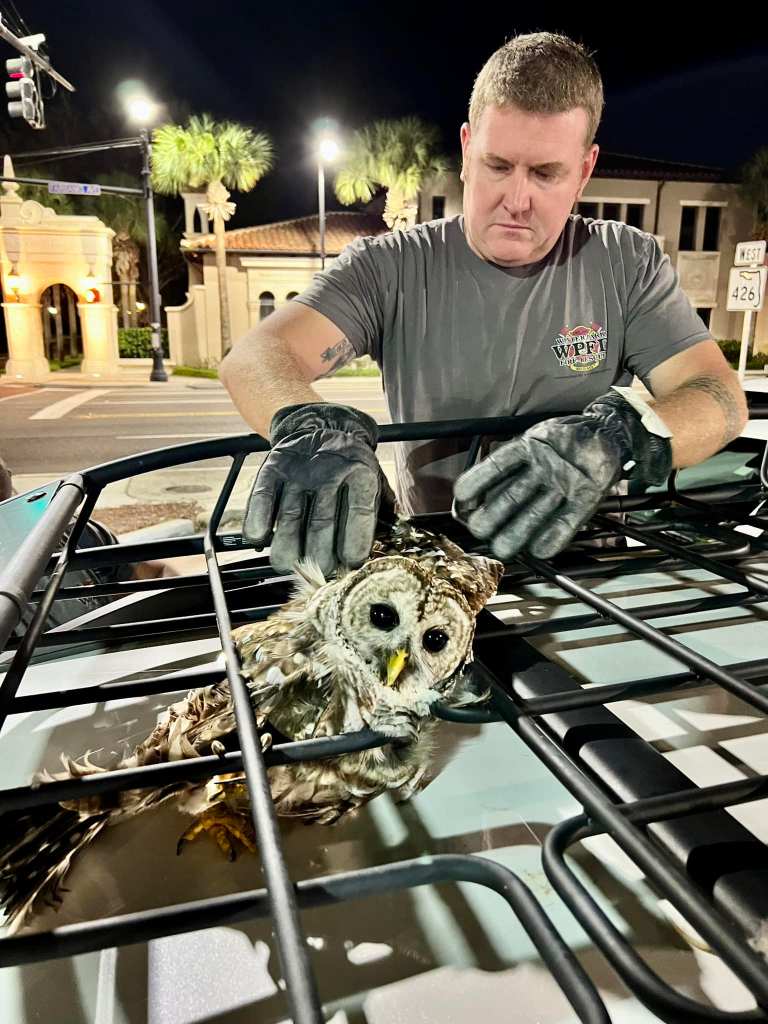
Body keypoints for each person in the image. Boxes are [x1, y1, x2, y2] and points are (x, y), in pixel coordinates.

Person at [219, 31, 747, 578]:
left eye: (546, 174)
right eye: (498, 165)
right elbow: (257, 355)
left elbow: (719, 397)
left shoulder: (624, 261)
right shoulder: (391, 266)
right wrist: (310, 424)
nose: (517, 200)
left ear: (585, 169)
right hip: (440, 570)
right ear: (468, 150)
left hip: (586, 571)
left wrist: (620, 435)